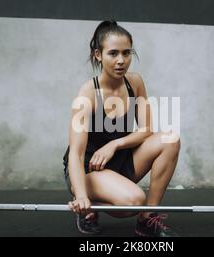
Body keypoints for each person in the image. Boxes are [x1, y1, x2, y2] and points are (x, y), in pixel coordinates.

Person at [62, 20, 180, 237]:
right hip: (88, 169)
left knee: (170, 139)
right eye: (113, 53)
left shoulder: (134, 83)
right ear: (98, 54)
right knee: (134, 201)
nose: (121, 61)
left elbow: (147, 129)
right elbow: (76, 155)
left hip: (120, 160)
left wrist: (115, 144)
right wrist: (80, 195)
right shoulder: (86, 95)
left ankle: (147, 219)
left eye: (127, 53)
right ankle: (87, 205)